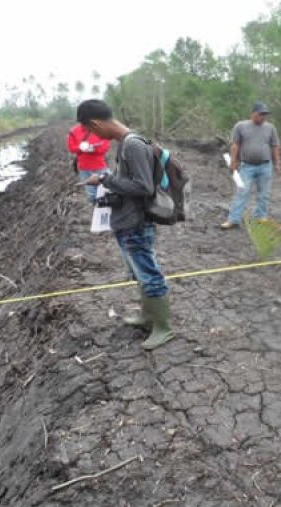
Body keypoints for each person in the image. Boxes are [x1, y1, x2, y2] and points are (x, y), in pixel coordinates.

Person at [76, 99, 175, 351]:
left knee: (149, 274)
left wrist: (108, 181)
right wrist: (109, 179)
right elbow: (131, 181)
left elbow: (144, 187)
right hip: (126, 220)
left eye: (91, 130)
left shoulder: (132, 146)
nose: (93, 136)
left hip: (136, 222)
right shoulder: (125, 144)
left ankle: (163, 327)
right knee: (138, 274)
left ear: (96, 123)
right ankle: (147, 316)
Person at [220, 101, 281, 229]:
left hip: (265, 166)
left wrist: (277, 163)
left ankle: (261, 217)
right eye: (261, 114)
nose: (263, 117)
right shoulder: (241, 126)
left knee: (264, 194)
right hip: (246, 166)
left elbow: (275, 146)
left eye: (265, 114)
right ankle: (233, 220)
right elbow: (235, 145)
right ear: (253, 113)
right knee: (242, 192)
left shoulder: (270, 128)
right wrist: (233, 162)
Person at [67, 122, 111, 204]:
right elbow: (71, 148)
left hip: (100, 166)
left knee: (109, 189)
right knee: (92, 195)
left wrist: (93, 149)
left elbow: (105, 146)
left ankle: (110, 210)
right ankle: (97, 209)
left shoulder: (101, 129)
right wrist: (80, 148)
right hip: (84, 168)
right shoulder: (73, 131)